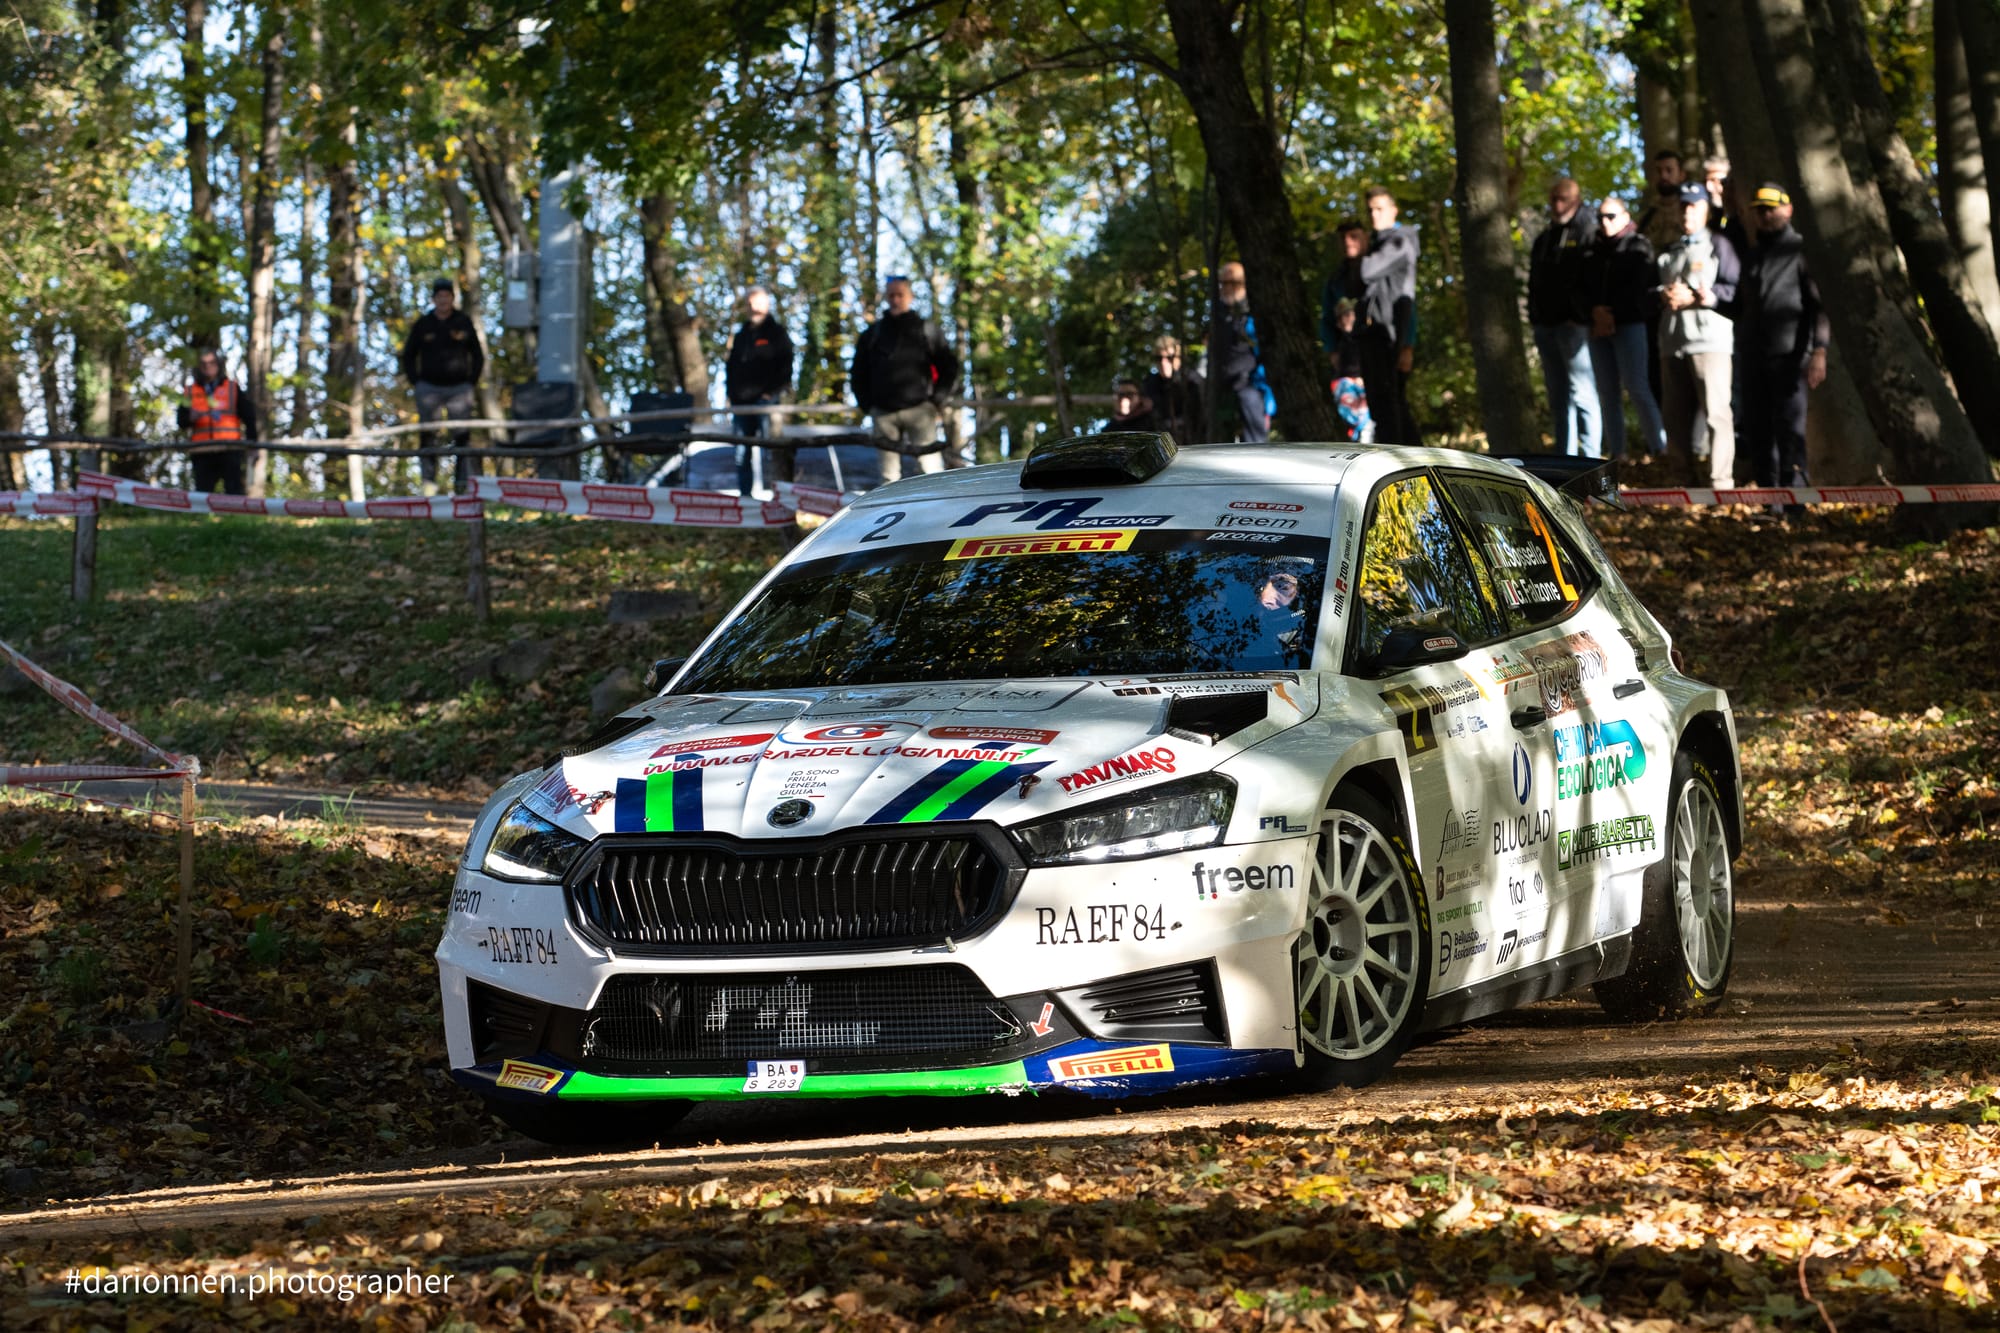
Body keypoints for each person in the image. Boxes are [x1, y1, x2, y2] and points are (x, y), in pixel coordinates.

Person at [1734, 183, 1829, 491]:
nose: (1765, 215)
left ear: (1787, 210)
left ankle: (1795, 501)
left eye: (1770, 209)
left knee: (1790, 431)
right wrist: (1706, 299)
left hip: (1790, 358)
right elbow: (1739, 306)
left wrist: (1819, 351)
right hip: (1753, 358)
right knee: (1758, 431)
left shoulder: (1801, 250)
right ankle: (1769, 500)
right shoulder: (1751, 255)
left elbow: (1819, 306)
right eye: (1759, 210)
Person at [1655, 182, 1741, 489]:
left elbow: (1734, 288)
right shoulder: (1668, 250)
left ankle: (1721, 482)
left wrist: (1702, 296)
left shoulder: (1720, 243)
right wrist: (1663, 294)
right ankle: (1682, 482)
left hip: (1710, 342)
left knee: (1716, 413)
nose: (1687, 212)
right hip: (1673, 342)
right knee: (1674, 416)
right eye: (1683, 206)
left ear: (1706, 209)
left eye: (1693, 206)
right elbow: (1648, 292)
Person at [851, 276, 959, 484]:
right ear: (886, 297)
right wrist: (867, 405)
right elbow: (858, 373)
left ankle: (939, 503)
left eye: (900, 295)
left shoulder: (926, 330)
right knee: (888, 478)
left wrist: (937, 399)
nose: (895, 300)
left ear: (910, 296)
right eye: (891, 295)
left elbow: (949, 366)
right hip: (883, 413)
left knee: (931, 471)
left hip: (920, 410)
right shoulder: (872, 335)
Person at [1585, 196, 1667, 461]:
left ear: (1624, 217)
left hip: (1630, 325)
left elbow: (1640, 289)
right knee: (1607, 393)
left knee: (1637, 386)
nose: (1605, 222)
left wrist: (1611, 315)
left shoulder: (1639, 245)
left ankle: (1660, 449)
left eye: (1610, 216)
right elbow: (1580, 287)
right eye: (1600, 217)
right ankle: (1617, 454)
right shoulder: (1591, 249)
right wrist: (1594, 313)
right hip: (1597, 328)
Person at [1528, 177, 1602, 457]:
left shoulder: (1588, 232)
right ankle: (1565, 459)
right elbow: (1535, 282)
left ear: (1576, 200)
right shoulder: (1544, 239)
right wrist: (1535, 317)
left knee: (1582, 393)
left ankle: (1591, 459)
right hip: (1545, 326)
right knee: (1558, 396)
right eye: (1554, 199)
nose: (1558, 205)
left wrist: (1581, 315)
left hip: (1574, 326)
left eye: (1564, 199)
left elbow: (1592, 279)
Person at [399, 278, 485, 494]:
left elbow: (477, 354)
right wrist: (417, 382)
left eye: (447, 296)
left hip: (459, 389)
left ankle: (461, 484)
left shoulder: (463, 322)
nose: (443, 300)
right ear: (434, 299)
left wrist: (470, 382)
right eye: (439, 296)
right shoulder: (423, 324)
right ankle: (429, 484)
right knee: (428, 435)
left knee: (462, 436)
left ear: (452, 298)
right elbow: (408, 355)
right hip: (429, 389)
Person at [1355, 187, 1422, 445]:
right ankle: (1415, 457)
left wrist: (1407, 345)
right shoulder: (1379, 244)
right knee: (1388, 406)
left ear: (1394, 211)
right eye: (1370, 210)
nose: (1374, 215)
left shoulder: (1399, 242)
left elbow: (1368, 272)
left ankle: (1401, 458)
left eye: (1380, 209)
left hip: (1390, 336)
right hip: (1376, 334)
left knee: (1389, 405)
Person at [723, 285, 794, 497]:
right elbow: (731, 367)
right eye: (748, 302)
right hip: (741, 404)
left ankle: (776, 496)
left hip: (766, 402)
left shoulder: (777, 333)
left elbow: (786, 365)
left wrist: (771, 393)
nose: (751, 307)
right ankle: (746, 498)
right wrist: (732, 395)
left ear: (766, 304)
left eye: (755, 302)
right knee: (741, 453)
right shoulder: (741, 335)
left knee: (770, 451)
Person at [176, 348, 254, 496]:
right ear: (199, 367)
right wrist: (190, 418)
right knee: (202, 493)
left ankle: (234, 512)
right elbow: (181, 421)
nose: (208, 366)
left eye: (211, 363)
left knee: (234, 491)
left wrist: (253, 445)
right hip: (201, 450)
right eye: (203, 364)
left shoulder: (232, 388)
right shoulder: (190, 391)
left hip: (230, 449)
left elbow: (249, 416)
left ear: (218, 365)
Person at [1212, 262, 1272, 442]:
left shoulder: (1254, 313)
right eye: (1223, 283)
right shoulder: (1218, 315)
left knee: (1254, 446)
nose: (1227, 288)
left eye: (1233, 282)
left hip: (1251, 388)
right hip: (1223, 390)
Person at [1140, 335, 1205, 447]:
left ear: (1179, 358)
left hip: (1192, 445)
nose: (1163, 362)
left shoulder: (1193, 381)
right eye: (1159, 358)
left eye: (1169, 357)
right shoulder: (1149, 384)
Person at [1326, 298, 1374, 443]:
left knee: (1366, 426)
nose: (1345, 319)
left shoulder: (1363, 337)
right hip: (1346, 387)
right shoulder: (1340, 341)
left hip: (1361, 386)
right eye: (1341, 317)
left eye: (1348, 314)